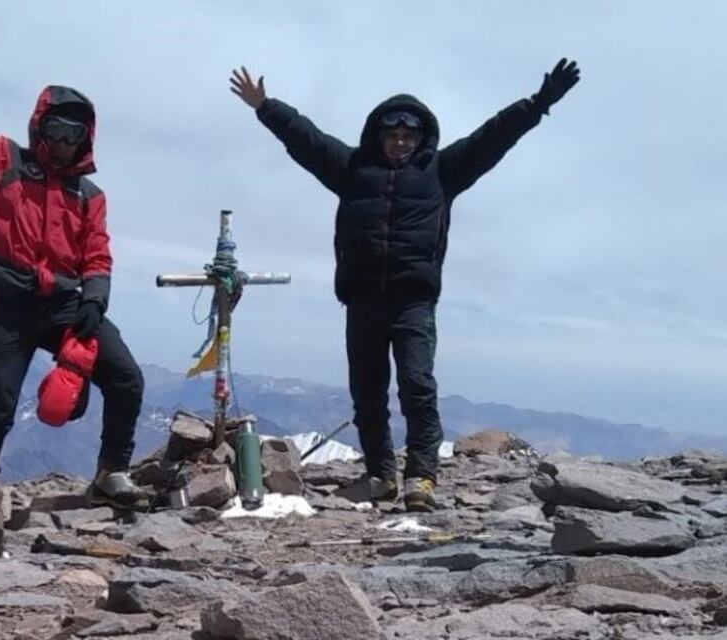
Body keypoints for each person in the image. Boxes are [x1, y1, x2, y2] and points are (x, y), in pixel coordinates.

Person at [230, 59, 580, 511]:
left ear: (421, 139)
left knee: (417, 385)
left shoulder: (443, 172)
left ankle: (421, 478)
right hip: (363, 298)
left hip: (413, 300)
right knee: (368, 391)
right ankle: (381, 476)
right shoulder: (352, 169)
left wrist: (538, 104)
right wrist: (265, 107)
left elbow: (493, 137)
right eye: (392, 135)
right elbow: (307, 140)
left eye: (408, 136)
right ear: (379, 135)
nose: (399, 142)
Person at [0, 20, 147, 508]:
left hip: (65, 306)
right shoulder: (3, 161)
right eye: (55, 130)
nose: (62, 142)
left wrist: (95, 299)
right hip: (9, 309)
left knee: (126, 377)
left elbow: (97, 252)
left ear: (86, 138)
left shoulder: (88, 195)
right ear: (39, 126)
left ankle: (111, 474)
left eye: (73, 134)